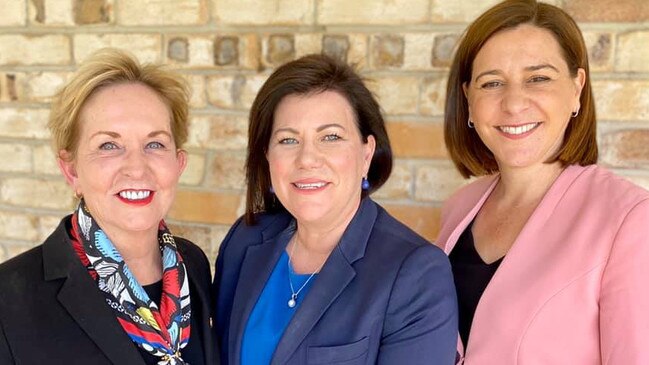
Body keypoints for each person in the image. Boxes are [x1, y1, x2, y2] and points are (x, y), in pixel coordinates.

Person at [437, 0, 649, 363]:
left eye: (538, 78)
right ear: (468, 99)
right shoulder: (460, 207)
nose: (514, 103)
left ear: (576, 88)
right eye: (492, 83)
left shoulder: (631, 220)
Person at [212, 54, 458, 365]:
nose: (307, 159)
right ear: (267, 156)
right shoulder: (244, 240)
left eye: (330, 137)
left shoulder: (415, 273)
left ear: (366, 154)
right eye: (288, 140)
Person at [0, 49, 218, 365]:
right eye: (109, 146)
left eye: (155, 144)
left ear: (178, 163)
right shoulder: (9, 300)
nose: (136, 168)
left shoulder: (194, 266)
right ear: (71, 170)